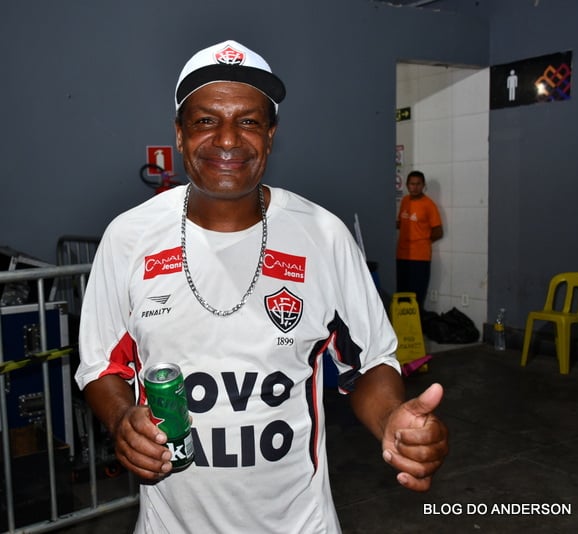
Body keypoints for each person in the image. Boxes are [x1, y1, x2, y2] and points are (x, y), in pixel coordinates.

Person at [76, 39, 448, 533]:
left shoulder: (323, 236)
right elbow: (101, 364)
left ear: (271, 136)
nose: (227, 140)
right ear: (180, 134)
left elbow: (369, 362)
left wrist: (391, 420)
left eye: (248, 121)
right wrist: (122, 419)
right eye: (206, 120)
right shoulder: (129, 238)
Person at [396, 170, 443, 313]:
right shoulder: (405, 201)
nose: (415, 187)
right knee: (402, 294)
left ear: (423, 185)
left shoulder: (429, 204)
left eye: (418, 184)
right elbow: (401, 223)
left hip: (420, 257)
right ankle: (402, 324)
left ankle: (418, 324)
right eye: (412, 184)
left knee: (416, 295)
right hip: (402, 255)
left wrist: (421, 240)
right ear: (407, 185)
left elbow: (438, 232)